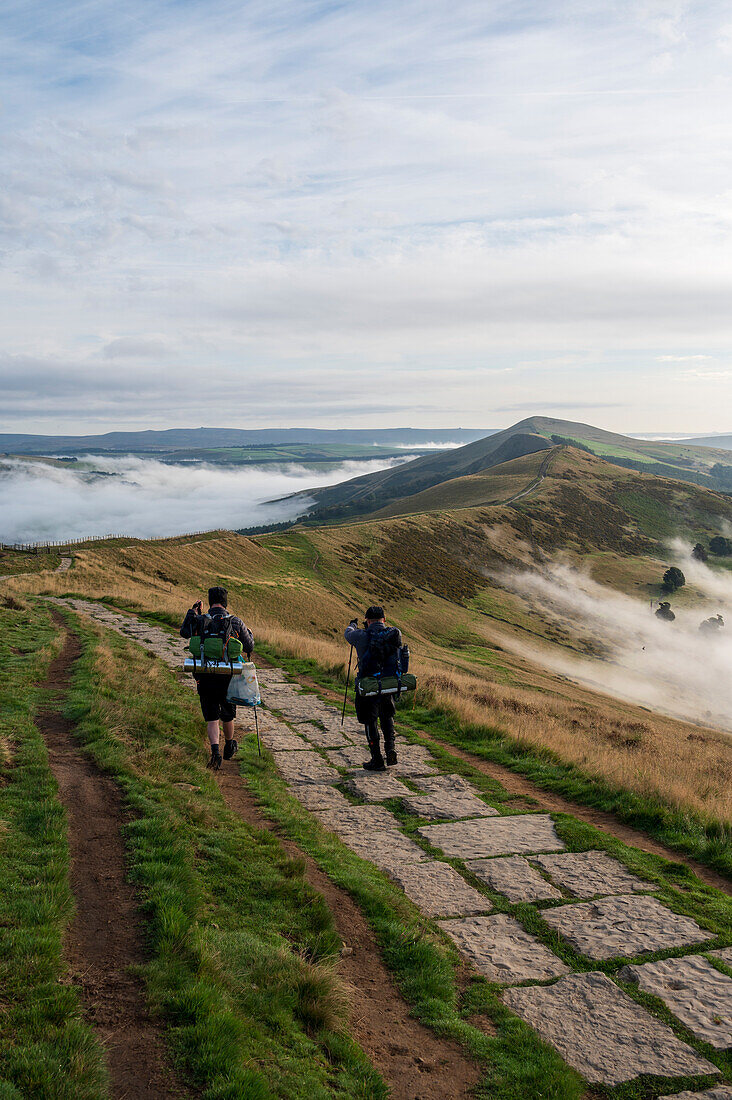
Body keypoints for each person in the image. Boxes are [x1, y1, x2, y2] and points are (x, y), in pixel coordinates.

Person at [180, 586, 254, 770]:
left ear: (210, 601)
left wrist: (193, 611)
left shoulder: (199, 620)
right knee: (228, 712)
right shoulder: (235, 622)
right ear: (226, 602)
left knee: (211, 715)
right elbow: (249, 646)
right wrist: (249, 633)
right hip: (227, 676)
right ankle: (229, 744)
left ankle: (215, 753)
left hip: (204, 675)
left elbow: (184, 632)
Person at [345, 605, 402, 772]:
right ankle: (390, 749)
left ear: (368, 621)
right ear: (384, 620)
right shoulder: (393, 634)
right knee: (387, 716)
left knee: (370, 721)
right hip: (388, 684)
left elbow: (347, 634)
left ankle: (377, 759)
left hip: (368, 685)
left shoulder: (360, 635)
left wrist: (353, 625)